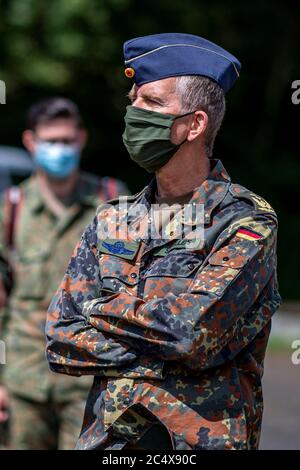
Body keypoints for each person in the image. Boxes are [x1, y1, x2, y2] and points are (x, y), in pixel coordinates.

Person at [46, 34, 281, 450]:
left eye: (151, 103)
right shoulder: (113, 218)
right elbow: (61, 338)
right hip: (108, 444)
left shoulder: (245, 222)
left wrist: (99, 310)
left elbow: (190, 333)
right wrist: (170, 353)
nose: (133, 112)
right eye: (133, 101)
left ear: (195, 124)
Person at [0, 97, 130, 449]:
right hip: (23, 383)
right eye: (51, 141)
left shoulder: (112, 202)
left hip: (91, 382)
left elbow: (132, 295)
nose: (60, 148)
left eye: (67, 140)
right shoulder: (11, 210)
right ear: (31, 142)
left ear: (82, 139)